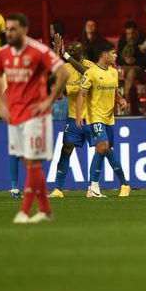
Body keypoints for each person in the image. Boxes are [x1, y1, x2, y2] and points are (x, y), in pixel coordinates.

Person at [0, 12, 70, 224]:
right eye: (7, 29)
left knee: (33, 162)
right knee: (28, 162)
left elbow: (64, 73)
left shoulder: (39, 51)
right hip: (15, 115)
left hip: (36, 116)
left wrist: (49, 100)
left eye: (13, 29)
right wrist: (2, 104)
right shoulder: (3, 53)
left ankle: (24, 211)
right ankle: (45, 210)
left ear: (24, 30)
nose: (9, 33)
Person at [75, 41, 130, 198]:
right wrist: (79, 115)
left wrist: (121, 100)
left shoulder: (113, 72)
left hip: (109, 118)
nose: (115, 55)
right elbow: (81, 94)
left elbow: (114, 92)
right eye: (113, 52)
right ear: (105, 55)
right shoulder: (91, 73)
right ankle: (94, 187)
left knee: (105, 149)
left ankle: (123, 185)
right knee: (104, 146)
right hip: (95, 117)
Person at [51, 41, 94, 198]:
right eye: (68, 49)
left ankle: (97, 187)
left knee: (103, 150)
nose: (69, 51)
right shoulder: (67, 67)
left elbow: (87, 73)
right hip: (73, 117)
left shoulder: (88, 64)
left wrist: (65, 55)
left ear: (81, 51)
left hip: (91, 117)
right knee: (66, 148)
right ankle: (58, 189)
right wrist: (55, 54)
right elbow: (53, 74)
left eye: (72, 50)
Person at [117, 20, 146, 110]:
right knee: (117, 72)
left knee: (132, 72)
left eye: (132, 33)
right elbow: (118, 59)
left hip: (140, 68)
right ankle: (117, 100)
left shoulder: (143, 38)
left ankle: (124, 99)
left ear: (136, 31)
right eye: (128, 34)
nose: (130, 36)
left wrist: (135, 60)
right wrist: (125, 60)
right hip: (125, 66)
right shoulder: (123, 39)